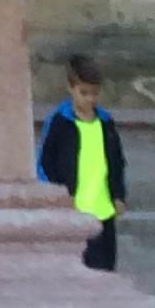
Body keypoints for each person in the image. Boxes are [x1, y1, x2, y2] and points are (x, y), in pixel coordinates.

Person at [38, 51, 128, 270]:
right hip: (73, 208)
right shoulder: (59, 122)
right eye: (84, 93)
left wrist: (119, 195)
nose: (90, 99)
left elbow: (117, 162)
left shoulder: (106, 122)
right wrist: (58, 196)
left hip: (103, 209)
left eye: (95, 93)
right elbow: (45, 163)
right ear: (71, 88)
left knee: (105, 266)